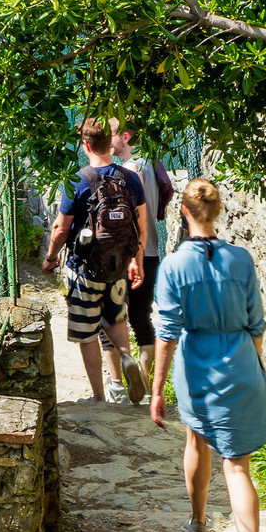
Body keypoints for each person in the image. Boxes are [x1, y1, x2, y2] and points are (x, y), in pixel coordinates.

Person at [149, 176, 266, 532]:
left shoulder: (174, 267)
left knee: (196, 439)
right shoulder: (241, 261)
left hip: (197, 364)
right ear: (217, 212)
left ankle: (198, 522)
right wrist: (254, 364)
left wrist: (157, 388)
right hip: (241, 362)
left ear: (182, 211)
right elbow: (256, 323)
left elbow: (166, 334)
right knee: (238, 466)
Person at [42, 117, 147, 405]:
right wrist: (136, 260)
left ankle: (99, 397)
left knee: (87, 332)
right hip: (119, 267)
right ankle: (127, 357)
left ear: (85, 145)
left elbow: (61, 229)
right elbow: (141, 225)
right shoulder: (130, 178)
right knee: (114, 317)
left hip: (85, 269)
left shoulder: (78, 179)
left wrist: (50, 259)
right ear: (109, 143)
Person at [112, 122, 173, 388]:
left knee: (112, 316)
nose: (109, 142)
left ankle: (118, 380)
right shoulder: (152, 162)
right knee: (141, 318)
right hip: (151, 251)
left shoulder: (128, 170)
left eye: (112, 136)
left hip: (129, 254)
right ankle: (147, 387)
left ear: (125, 137)